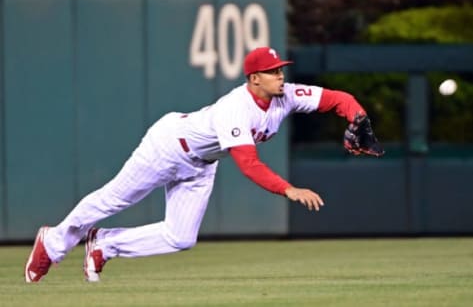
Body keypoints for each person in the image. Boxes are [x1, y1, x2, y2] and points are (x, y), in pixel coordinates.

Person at [24, 46, 384, 283]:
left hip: (201, 164)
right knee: (112, 200)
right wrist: (289, 189)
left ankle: (105, 244)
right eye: (273, 71)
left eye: (281, 70)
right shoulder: (235, 108)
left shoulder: (285, 96)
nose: (281, 76)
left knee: (180, 237)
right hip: (167, 146)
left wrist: (358, 115)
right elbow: (248, 164)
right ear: (254, 78)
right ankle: (53, 241)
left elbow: (337, 99)